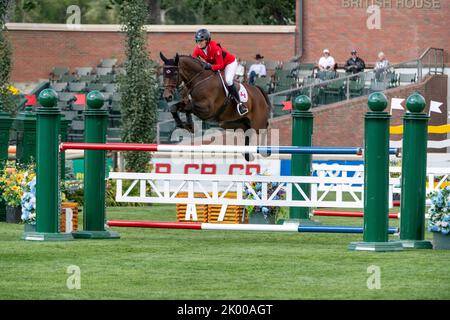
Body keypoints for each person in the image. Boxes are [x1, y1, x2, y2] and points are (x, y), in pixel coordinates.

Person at [192, 28, 248, 116]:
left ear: (207, 40)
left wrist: (209, 66)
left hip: (229, 63)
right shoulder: (198, 49)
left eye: (201, 41)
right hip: (216, 65)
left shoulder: (215, 48)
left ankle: (240, 104)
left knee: (228, 80)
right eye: (197, 41)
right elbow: (193, 60)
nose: (199, 43)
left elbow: (221, 66)